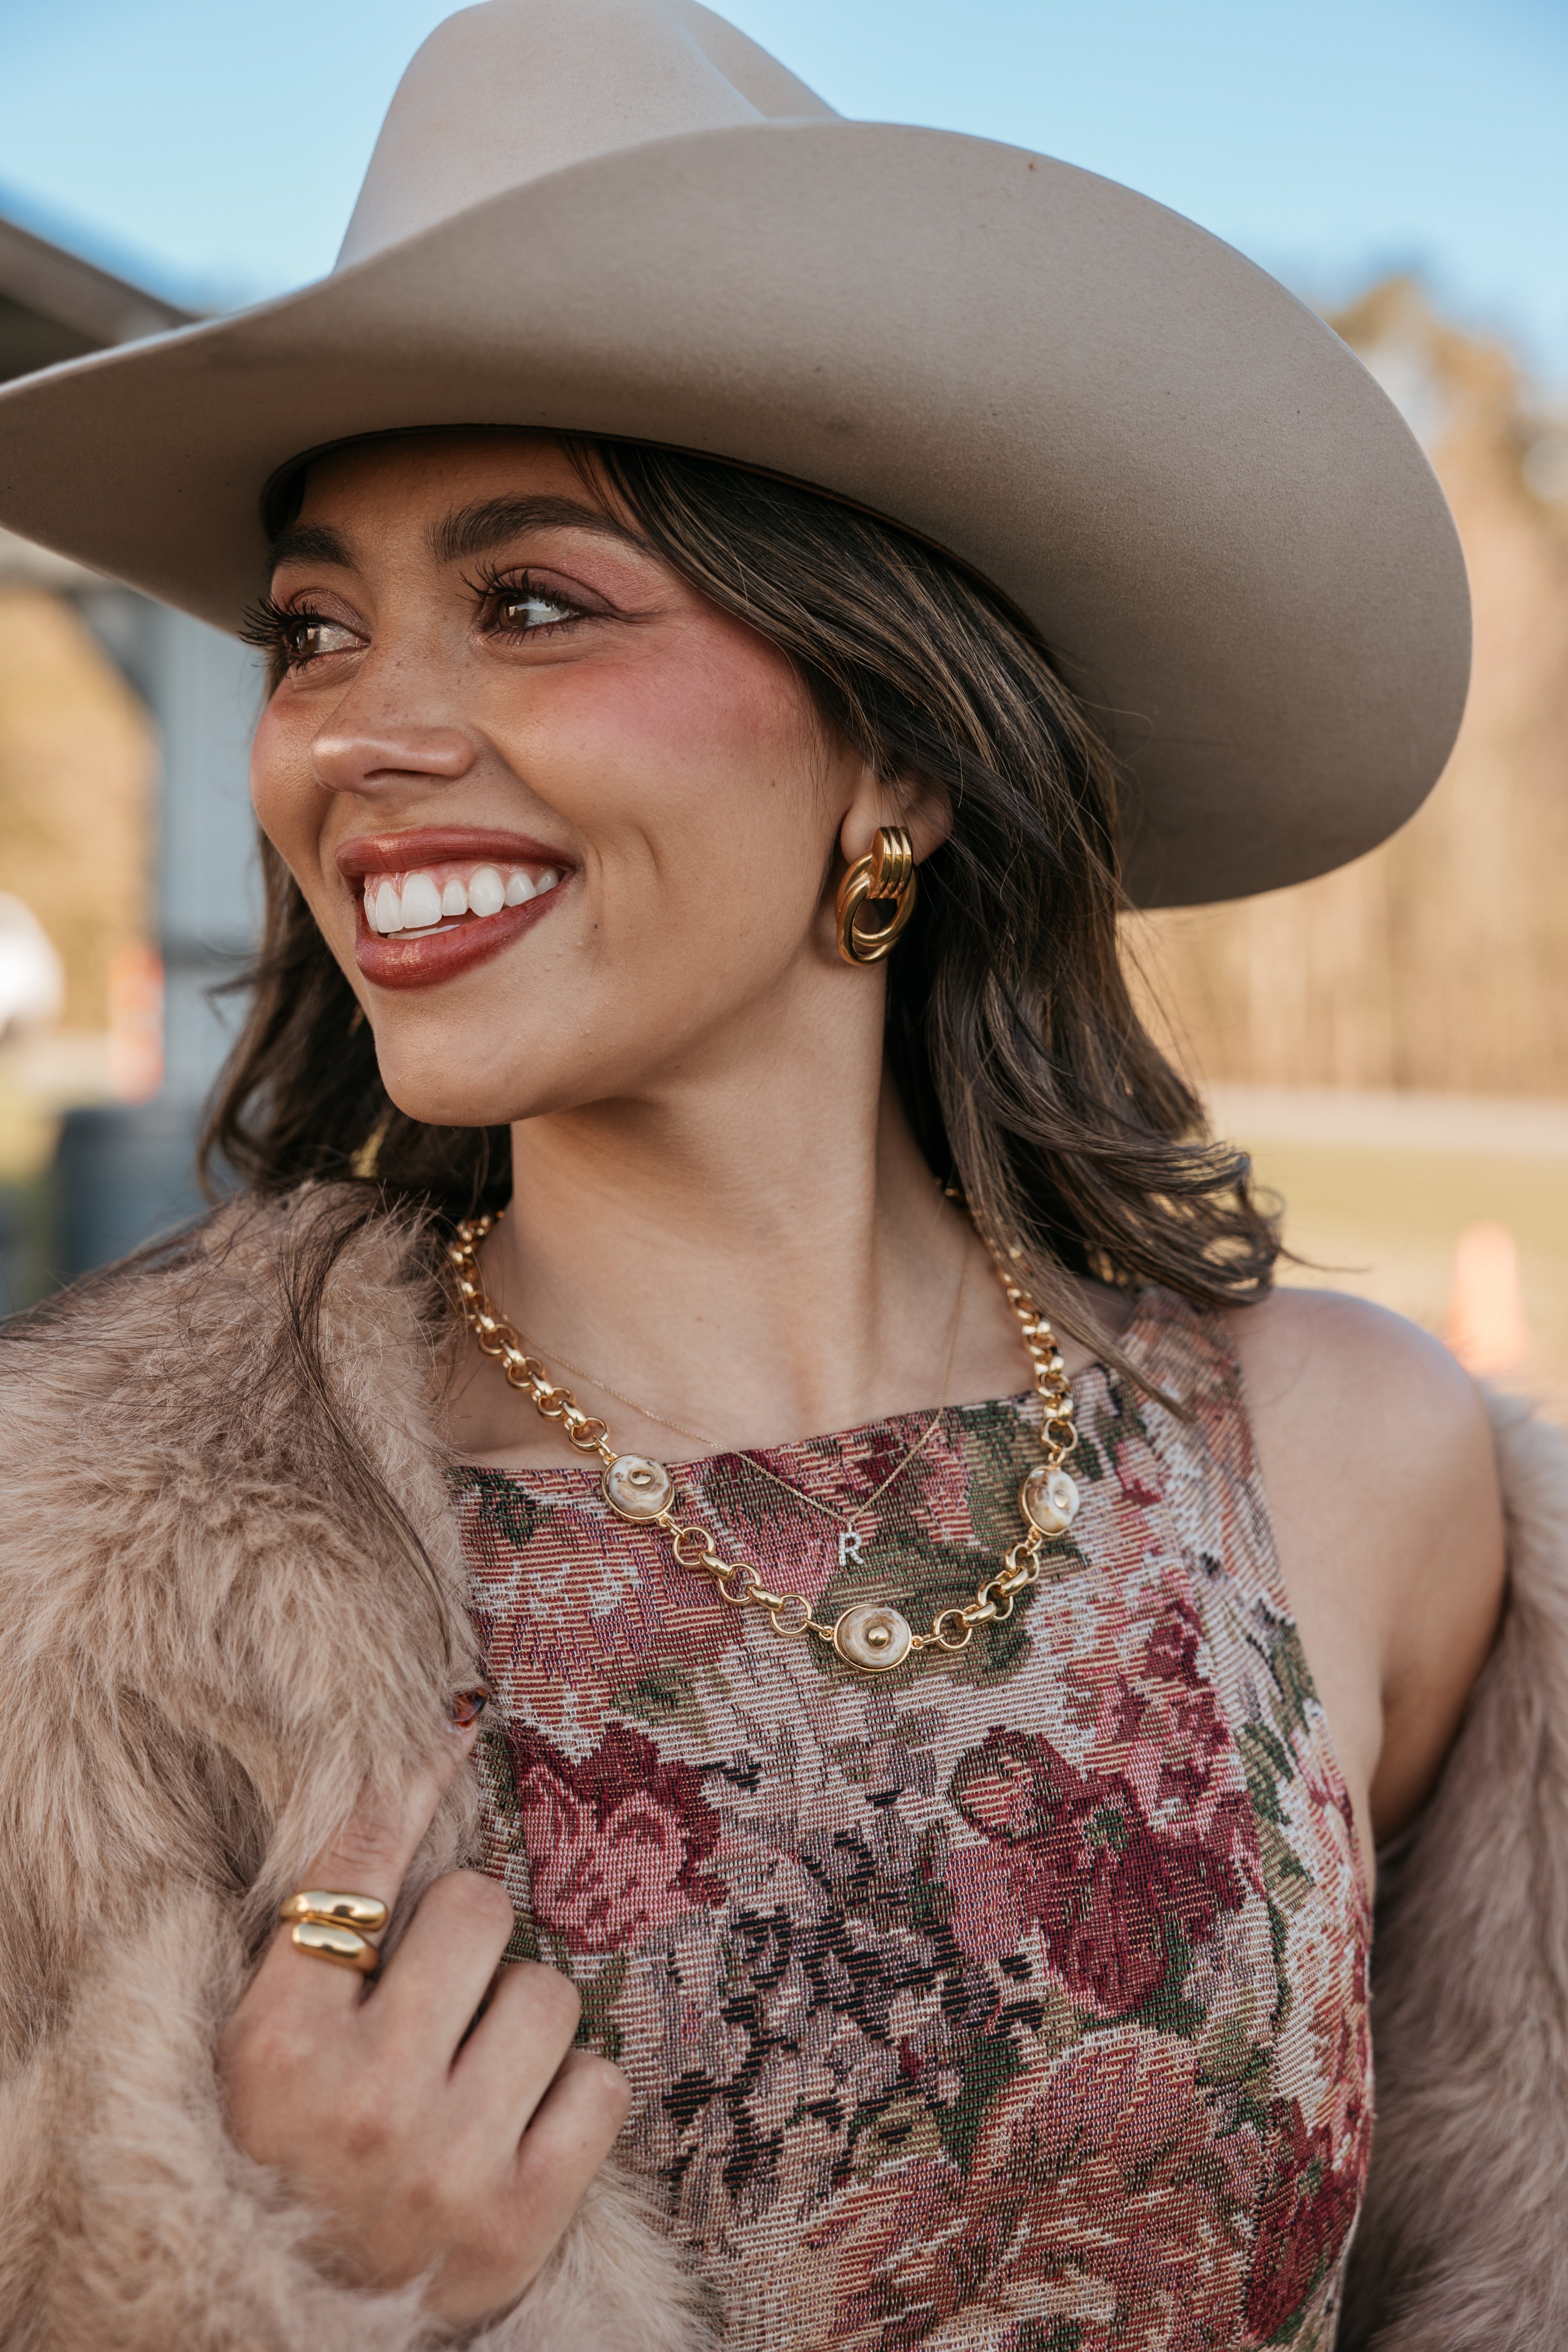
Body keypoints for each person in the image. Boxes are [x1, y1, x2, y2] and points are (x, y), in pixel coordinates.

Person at [0, 5, 1562, 2348]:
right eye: (316, 628)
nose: (355, 733)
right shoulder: (96, 1615)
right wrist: (250, 2298)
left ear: (899, 759)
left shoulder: (1357, 1474)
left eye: (531, 601)